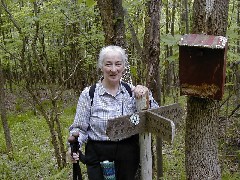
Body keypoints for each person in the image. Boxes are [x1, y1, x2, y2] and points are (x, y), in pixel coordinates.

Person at [69, 45, 159, 180]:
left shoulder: (132, 92)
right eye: (108, 64)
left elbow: (154, 116)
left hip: (127, 153)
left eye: (118, 64)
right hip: (98, 153)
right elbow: (79, 128)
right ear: (101, 67)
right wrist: (73, 147)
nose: (113, 69)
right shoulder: (89, 94)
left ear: (123, 66)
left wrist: (146, 95)